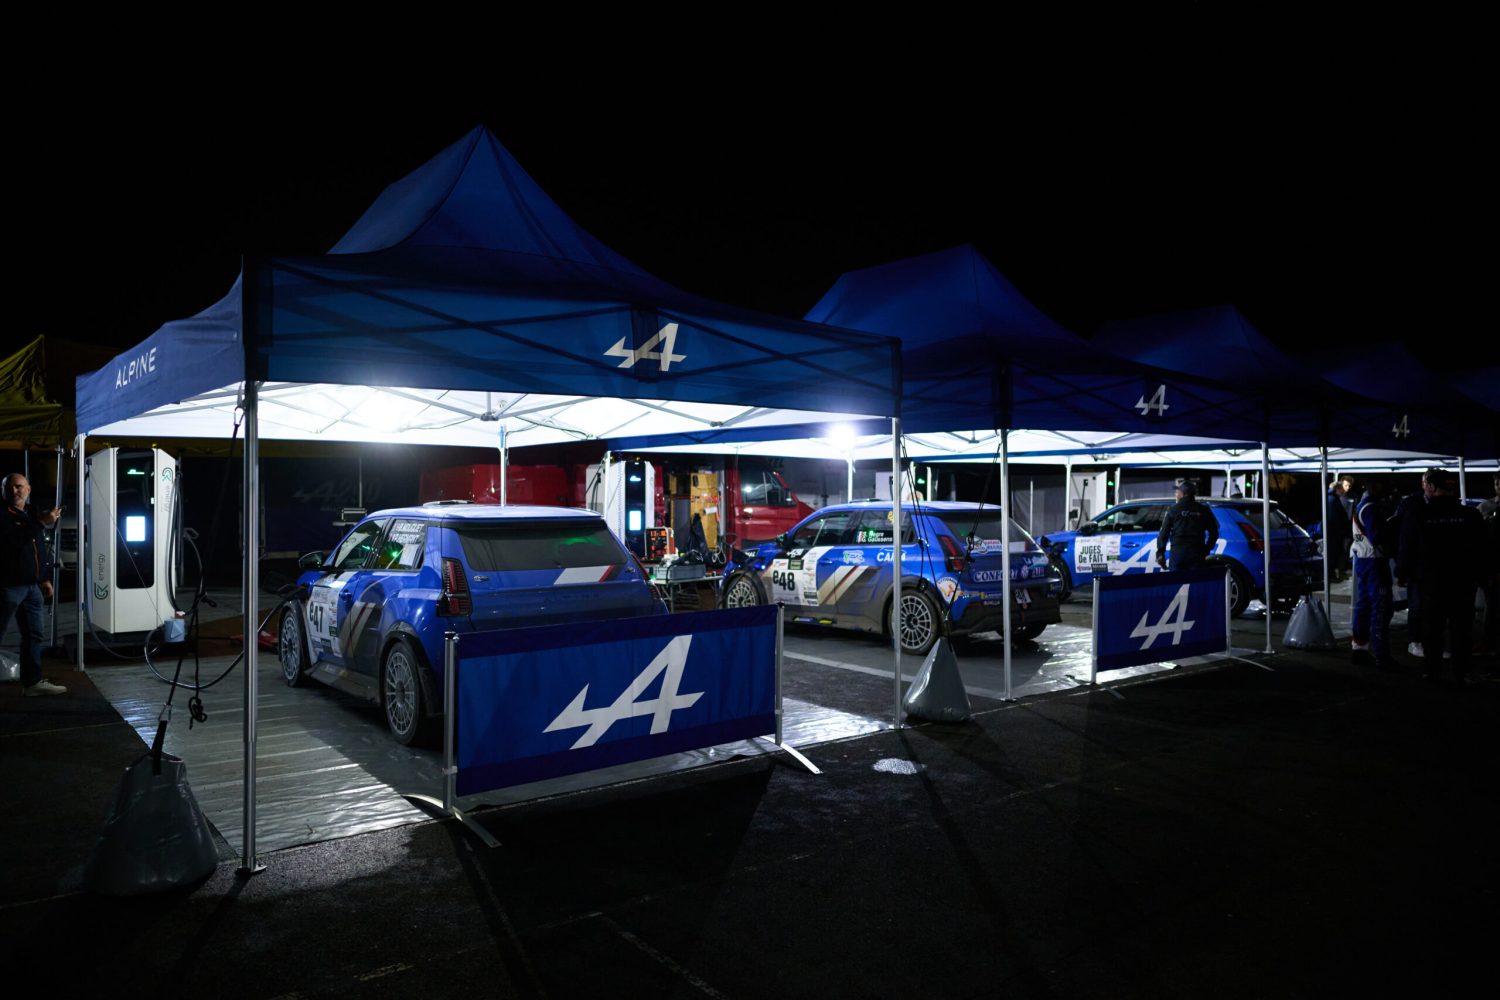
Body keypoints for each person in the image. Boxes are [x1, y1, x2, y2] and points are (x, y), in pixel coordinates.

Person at [1397, 470, 1484, 685]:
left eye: (1426, 484)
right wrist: (1483, 575)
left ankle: (1431, 671)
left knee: (1431, 627)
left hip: (1430, 581)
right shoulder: (1470, 515)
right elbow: (1483, 549)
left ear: (1433, 488)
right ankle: (1462, 672)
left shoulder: (1419, 515)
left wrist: (1402, 573)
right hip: (1463, 581)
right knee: (1461, 628)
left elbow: (1406, 547)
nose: (1424, 487)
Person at [1, 473, 67, 696]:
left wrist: (44, 578)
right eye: (9, 487)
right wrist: (41, 522)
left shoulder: (30, 512)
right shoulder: (3, 514)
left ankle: (32, 683)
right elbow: (14, 541)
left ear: (28, 489)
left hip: (32, 587)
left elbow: (37, 547)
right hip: (8, 586)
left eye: (19, 487)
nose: (14, 491)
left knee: (34, 634)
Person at [1348, 480, 1395, 668]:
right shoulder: (1371, 507)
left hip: (1363, 558)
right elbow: (1377, 537)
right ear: (1374, 486)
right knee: (1381, 606)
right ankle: (1381, 655)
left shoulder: (1362, 505)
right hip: (1373, 560)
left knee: (1365, 603)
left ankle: (1359, 648)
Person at [1156, 478, 1219, 571]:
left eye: (1177, 492)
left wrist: (1160, 552)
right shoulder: (1203, 510)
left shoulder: (1173, 510)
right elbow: (1214, 532)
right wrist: (1206, 549)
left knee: (1176, 583)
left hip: (1178, 553)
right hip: (1197, 553)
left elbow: (1164, 533)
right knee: (1195, 584)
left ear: (1183, 494)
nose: (1175, 494)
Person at [1325, 476, 1354, 582]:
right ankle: (1331, 576)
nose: (1344, 491)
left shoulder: (1333, 498)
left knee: (1335, 553)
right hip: (1334, 533)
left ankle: (1332, 575)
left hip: (1334, 532)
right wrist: (1341, 530)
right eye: (1342, 488)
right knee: (1333, 554)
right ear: (1338, 489)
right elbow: (1334, 518)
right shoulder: (1333, 500)